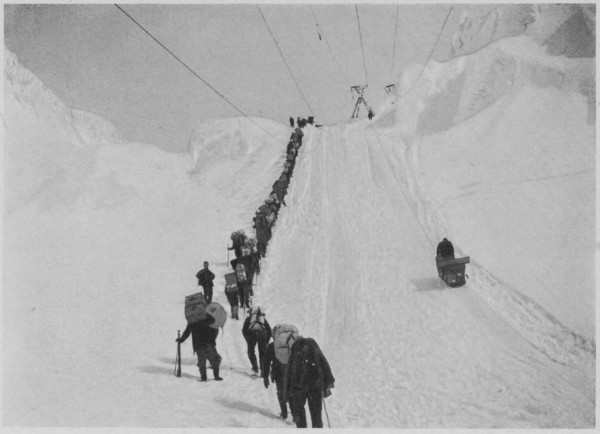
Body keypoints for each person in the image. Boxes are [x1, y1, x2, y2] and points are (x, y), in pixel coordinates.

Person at [285, 337, 334, 428]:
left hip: (298, 387)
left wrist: (287, 393)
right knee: (316, 415)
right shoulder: (313, 345)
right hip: (315, 384)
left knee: (300, 417)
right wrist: (328, 381)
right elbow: (324, 362)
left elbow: (289, 372)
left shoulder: (295, 349)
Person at [177, 315, 223, 382]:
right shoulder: (209, 319)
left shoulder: (193, 321)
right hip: (209, 343)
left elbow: (187, 332)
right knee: (214, 359)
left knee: (202, 361)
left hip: (198, 344)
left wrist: (181, 339)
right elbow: (215, 330)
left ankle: (204, 378)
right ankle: (216, 376)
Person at [263, 340, 291, 420]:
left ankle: (284, 413)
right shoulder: (291, 344)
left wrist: (265, 377)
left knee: (280, 392)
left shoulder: (272, 345)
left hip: (278, 371)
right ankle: (295, 415)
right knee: (292, 391)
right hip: (291, 371)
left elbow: (266, 362)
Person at [242, 307, 271, 375]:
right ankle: (263, 372)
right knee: (263, 353)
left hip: (251, 336)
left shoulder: (249, 319)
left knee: (251, 351)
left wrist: (247, 339)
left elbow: (244, 330)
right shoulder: (262, 319)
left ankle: (255, 367)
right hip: (263, 335)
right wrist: (267, 340)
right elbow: (269, 330)